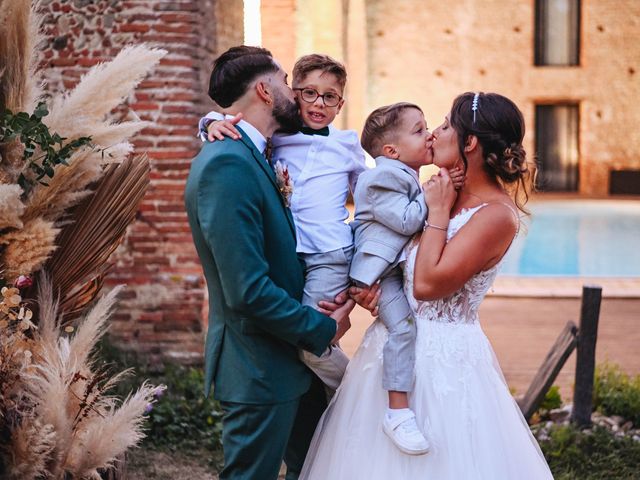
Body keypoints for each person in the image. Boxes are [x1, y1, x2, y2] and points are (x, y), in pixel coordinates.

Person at [300, 92, 554, 479]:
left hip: (443, 361)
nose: (434, 133)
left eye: (446, 125)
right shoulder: (442, 193)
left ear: (469, 143)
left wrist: (436, 211)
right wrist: (364, 294)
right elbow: (390, 255)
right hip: (390, 347)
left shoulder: (495, 215)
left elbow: (429, 284)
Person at [184, 45, 354, 480]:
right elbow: (247, 290)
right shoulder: (228, 163)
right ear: (264, 89)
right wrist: (322, 328)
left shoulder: (256, 152)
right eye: (285, 83)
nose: (296, 96)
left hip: (290, 363)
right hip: (258, 368)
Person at [199, 54, 368, 393]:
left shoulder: (347, 143)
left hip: (328, 253)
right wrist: (209, 124)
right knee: (291, 340)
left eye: (330, 97)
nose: (319, 103)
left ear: (340, 103)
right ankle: (320, 415)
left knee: (313, 342)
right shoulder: (278, 136)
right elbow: (230, 118)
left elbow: (370, 199)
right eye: (309, 93)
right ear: (293, 94)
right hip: (288, 253)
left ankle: (358, 398)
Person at [350, 102, 462, 455]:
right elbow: (407, 222)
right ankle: (397, 411)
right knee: (402, 329)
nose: (429, 134)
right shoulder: (382, 177)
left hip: (392, 271)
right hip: (377, 275)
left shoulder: (404, 175)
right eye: (419, 130)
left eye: (428, 126)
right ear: (391, 151)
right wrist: (436, 195)